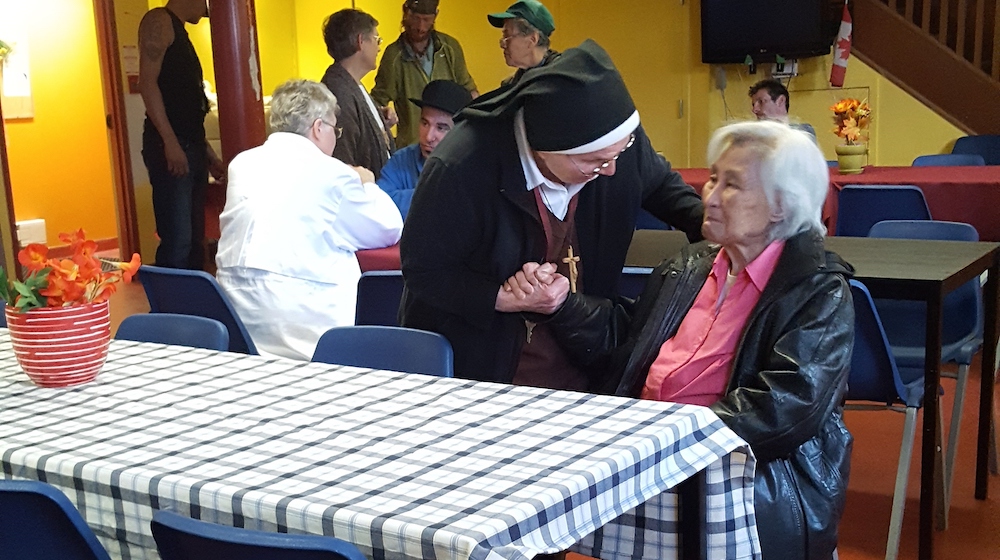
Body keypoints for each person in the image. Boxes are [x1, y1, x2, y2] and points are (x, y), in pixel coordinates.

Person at [507, 120, 854, 560]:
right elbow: (630, 341)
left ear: (780, 206)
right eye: (713, 177)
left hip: (745, 482)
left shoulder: (818, 290)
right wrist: (561, 305)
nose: (709, 195)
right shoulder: (692, 264)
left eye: (732, 185)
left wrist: (662, 440)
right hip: (657, 460)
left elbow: (782, 410)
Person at [399, 40, 705, 388]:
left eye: (618, 153)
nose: (610, 170)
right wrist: (502, 297)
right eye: (595, 162)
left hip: (584, 359)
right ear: (544, 150)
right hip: (482, 370)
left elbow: (661, 187)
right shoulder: (462, 166)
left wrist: (713, 225)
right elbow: (424, 271)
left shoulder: (616, 148)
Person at [216, 79, 403, 361]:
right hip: (308, 334)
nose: (335, 137)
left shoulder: (241, 164)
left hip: (238, 328)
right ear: (318, 128)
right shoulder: (332, 174)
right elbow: (388, 227)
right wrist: (365, 182)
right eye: (335, 129)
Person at [138, 0, 225, 270]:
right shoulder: (160, 21)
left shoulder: (182, 32)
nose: (208, 10)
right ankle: (171, 307)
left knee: (195, 239)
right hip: (172, 146)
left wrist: (209, 155)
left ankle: (193, 305)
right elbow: (147, 84)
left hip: (191, 146)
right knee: (178, 240)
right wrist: (170, 143)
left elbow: (189, 105)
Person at [372, 0, 479, 148]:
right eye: (416, 19)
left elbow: (470, 92)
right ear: (406, 14)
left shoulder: (450, 48)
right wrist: (384, 114)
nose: (421, 27)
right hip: (412, 148)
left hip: (450, 146)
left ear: (436, 16)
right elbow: (378, 101)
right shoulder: (393, 56)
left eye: (427, 20)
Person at [376, 80, 472, 219]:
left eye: (441, 128)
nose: (428, 137)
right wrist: (437, 195)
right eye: (425, 123)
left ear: (460, 131)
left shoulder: (473, 169)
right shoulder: (401, 160)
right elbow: (378, 205)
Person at [321, 9, 395, 178]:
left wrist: (378, 121)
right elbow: (344, 161)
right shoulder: (338, 94)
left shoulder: (351, 84)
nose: (379, 47)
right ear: (361, 41)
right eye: (377, 39)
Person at [488, 0, 559, 87]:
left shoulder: (562, 81)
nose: (502, 45)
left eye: (507, 36)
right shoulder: (510, 85)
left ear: (532, 40)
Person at [748, 78, 817, 137]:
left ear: (780, 101)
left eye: (761, 102)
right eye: (753, 105)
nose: (754, 110)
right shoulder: (754, 137)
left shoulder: (803, 132)